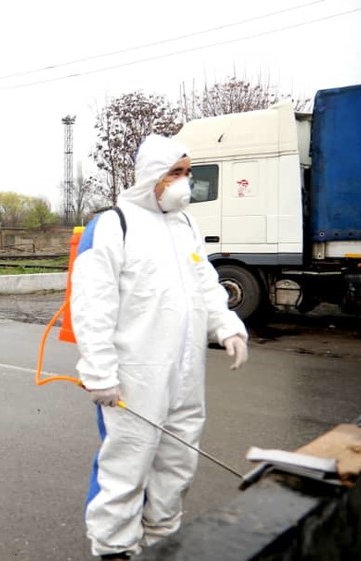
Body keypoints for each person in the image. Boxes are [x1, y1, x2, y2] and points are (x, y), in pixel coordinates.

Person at [70, 135, 249, 560]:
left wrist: (227, 325)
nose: (184, 181)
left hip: (186, 372)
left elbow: (205, 282)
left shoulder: (185, 225)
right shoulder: (114, 225)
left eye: (188, 172)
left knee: (178, 460)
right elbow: (92, 306)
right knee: (128, 462)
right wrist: (99, 372)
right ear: (152, 175)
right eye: (175, 172)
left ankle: (162, 536)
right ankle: (115, 546)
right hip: (135, 375)